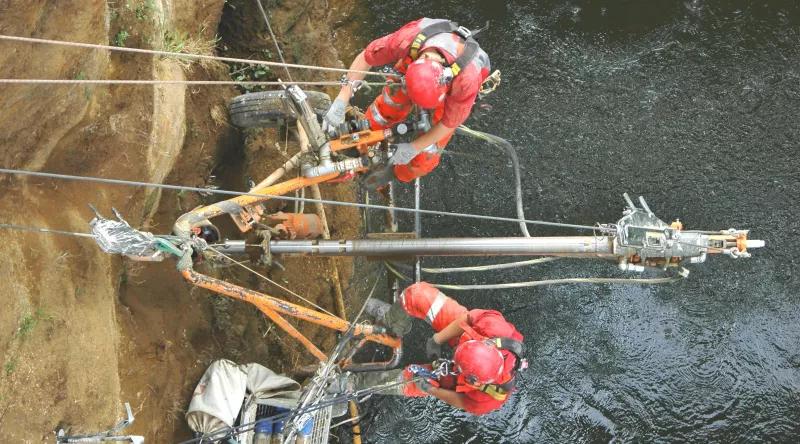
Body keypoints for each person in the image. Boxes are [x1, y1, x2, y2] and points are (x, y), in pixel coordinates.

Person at [323, 18, 492, 184]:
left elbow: (449, 124)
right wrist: (342, 98)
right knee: (387, 107)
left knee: (427, 153)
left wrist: (414, 147)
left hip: (454, 89)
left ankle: (394, 173)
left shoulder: (466, 80)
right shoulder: (407, 40)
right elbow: (367, 57)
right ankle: (362, 142)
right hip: (416, 67)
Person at [338, 282, 525, 416]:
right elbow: (468, 318)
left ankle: (352, 384)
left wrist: (431, 389)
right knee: (417, 295)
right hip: (464, 336)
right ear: (486, 343)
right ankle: (392, 323)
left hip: (457, 377)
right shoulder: (495, 329)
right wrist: (437, 339)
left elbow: (461, 401)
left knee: (408, 382)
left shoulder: (490, 398)